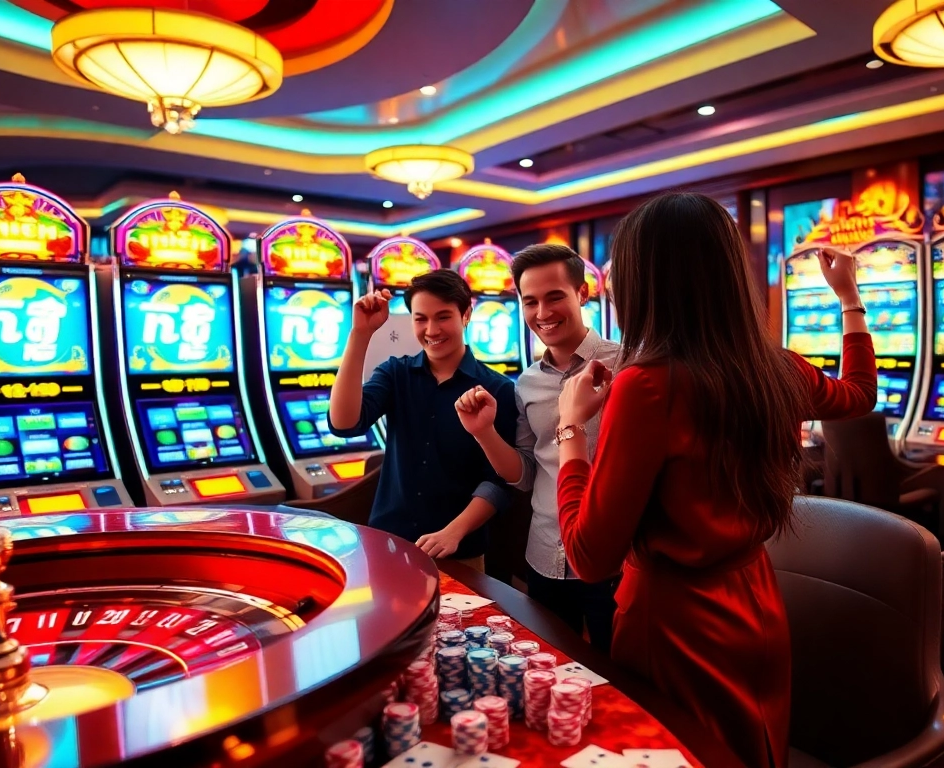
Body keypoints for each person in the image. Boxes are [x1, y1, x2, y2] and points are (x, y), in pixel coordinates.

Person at [554, 192, 876, 766]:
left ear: (643, 282)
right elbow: (860, 395)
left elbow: (587, 557)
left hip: (674, 624)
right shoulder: (775, 368)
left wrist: (571, 427)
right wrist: (849, 300)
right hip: (756, 602)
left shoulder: (647, 387)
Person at [455, 243, 620, 653]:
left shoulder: (626, 363)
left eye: (554, 297)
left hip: (616, 556)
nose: (542, 313)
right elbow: (525, 474)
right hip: (546, 552)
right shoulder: (526, 383)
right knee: (552, 670)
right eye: (530, 301)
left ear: (582, 295)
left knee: (620, 679)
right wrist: (484, 432)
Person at [328, 269, 518, 571]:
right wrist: (360, 334)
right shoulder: (395, 373)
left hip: (459, 552)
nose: (432, 329)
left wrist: (454, 531)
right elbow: (345, 423)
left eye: (443, 317)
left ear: (465, 314)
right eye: (421, 319)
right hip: (388, 543)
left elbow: (500, 481)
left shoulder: (497, 389)